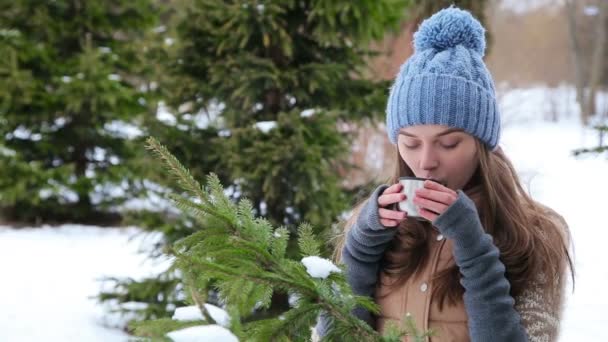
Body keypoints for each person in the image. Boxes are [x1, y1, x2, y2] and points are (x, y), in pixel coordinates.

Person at [314, 6, 574, 342]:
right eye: (410, 143)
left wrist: (473, 246)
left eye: (448, 143)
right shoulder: (372, 224)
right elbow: (334, 337)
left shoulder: (537, 234)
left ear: (482, 144)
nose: (425, 163)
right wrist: (360, 252)